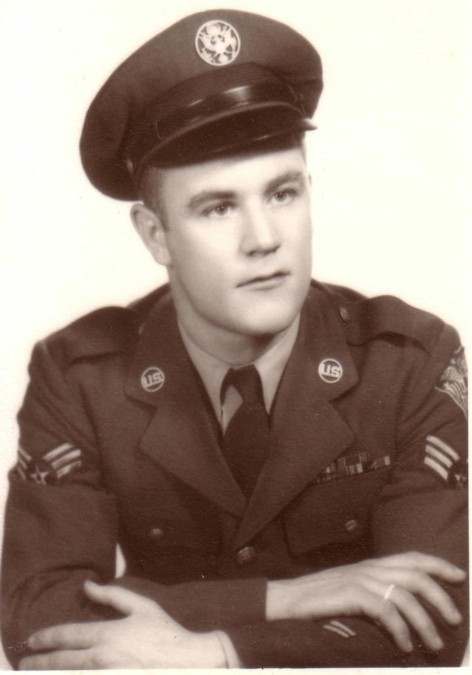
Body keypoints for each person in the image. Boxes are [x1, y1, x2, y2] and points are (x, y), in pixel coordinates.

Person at [1, 8, 468, 669]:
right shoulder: (80, 375)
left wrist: (217, 653)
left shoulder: (409, 361)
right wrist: (285, 597)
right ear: (155, 234)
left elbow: (437, 621)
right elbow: (37, 621)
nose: (264, 239)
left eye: (282, 193)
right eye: (218, 207)